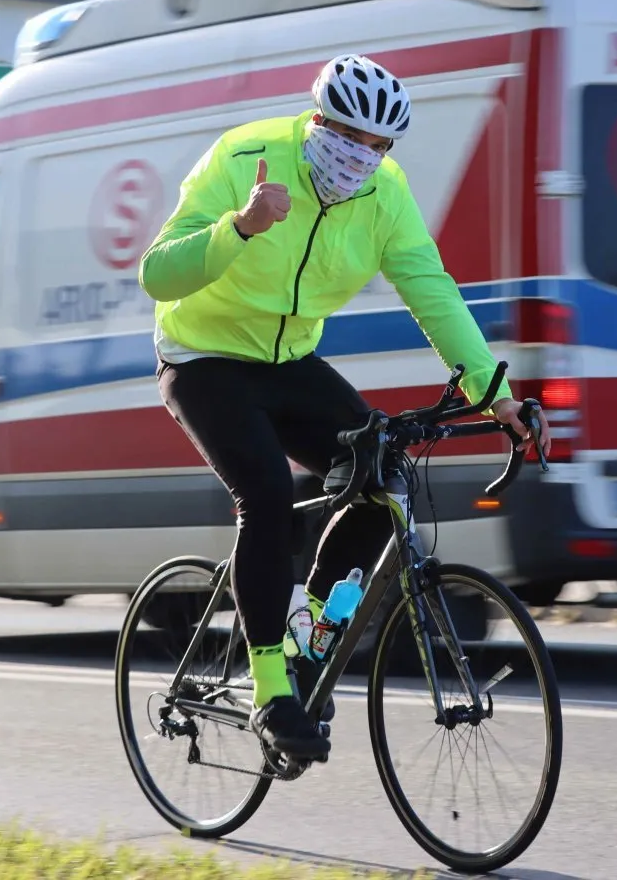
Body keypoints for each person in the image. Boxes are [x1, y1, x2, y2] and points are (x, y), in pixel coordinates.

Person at [138, 53, 551, 759]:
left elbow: (434, 292)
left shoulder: (385, 195)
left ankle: (307, 647)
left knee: (379, 470)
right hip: (202, 357)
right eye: (347, 136)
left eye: (376, 144)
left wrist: (497, 399)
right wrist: (238, 228)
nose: (360, 155)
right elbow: (157, 273)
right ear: (317, 119)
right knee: (265, 494)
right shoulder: (244, 156)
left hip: (288, 361)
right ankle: (272, 690)